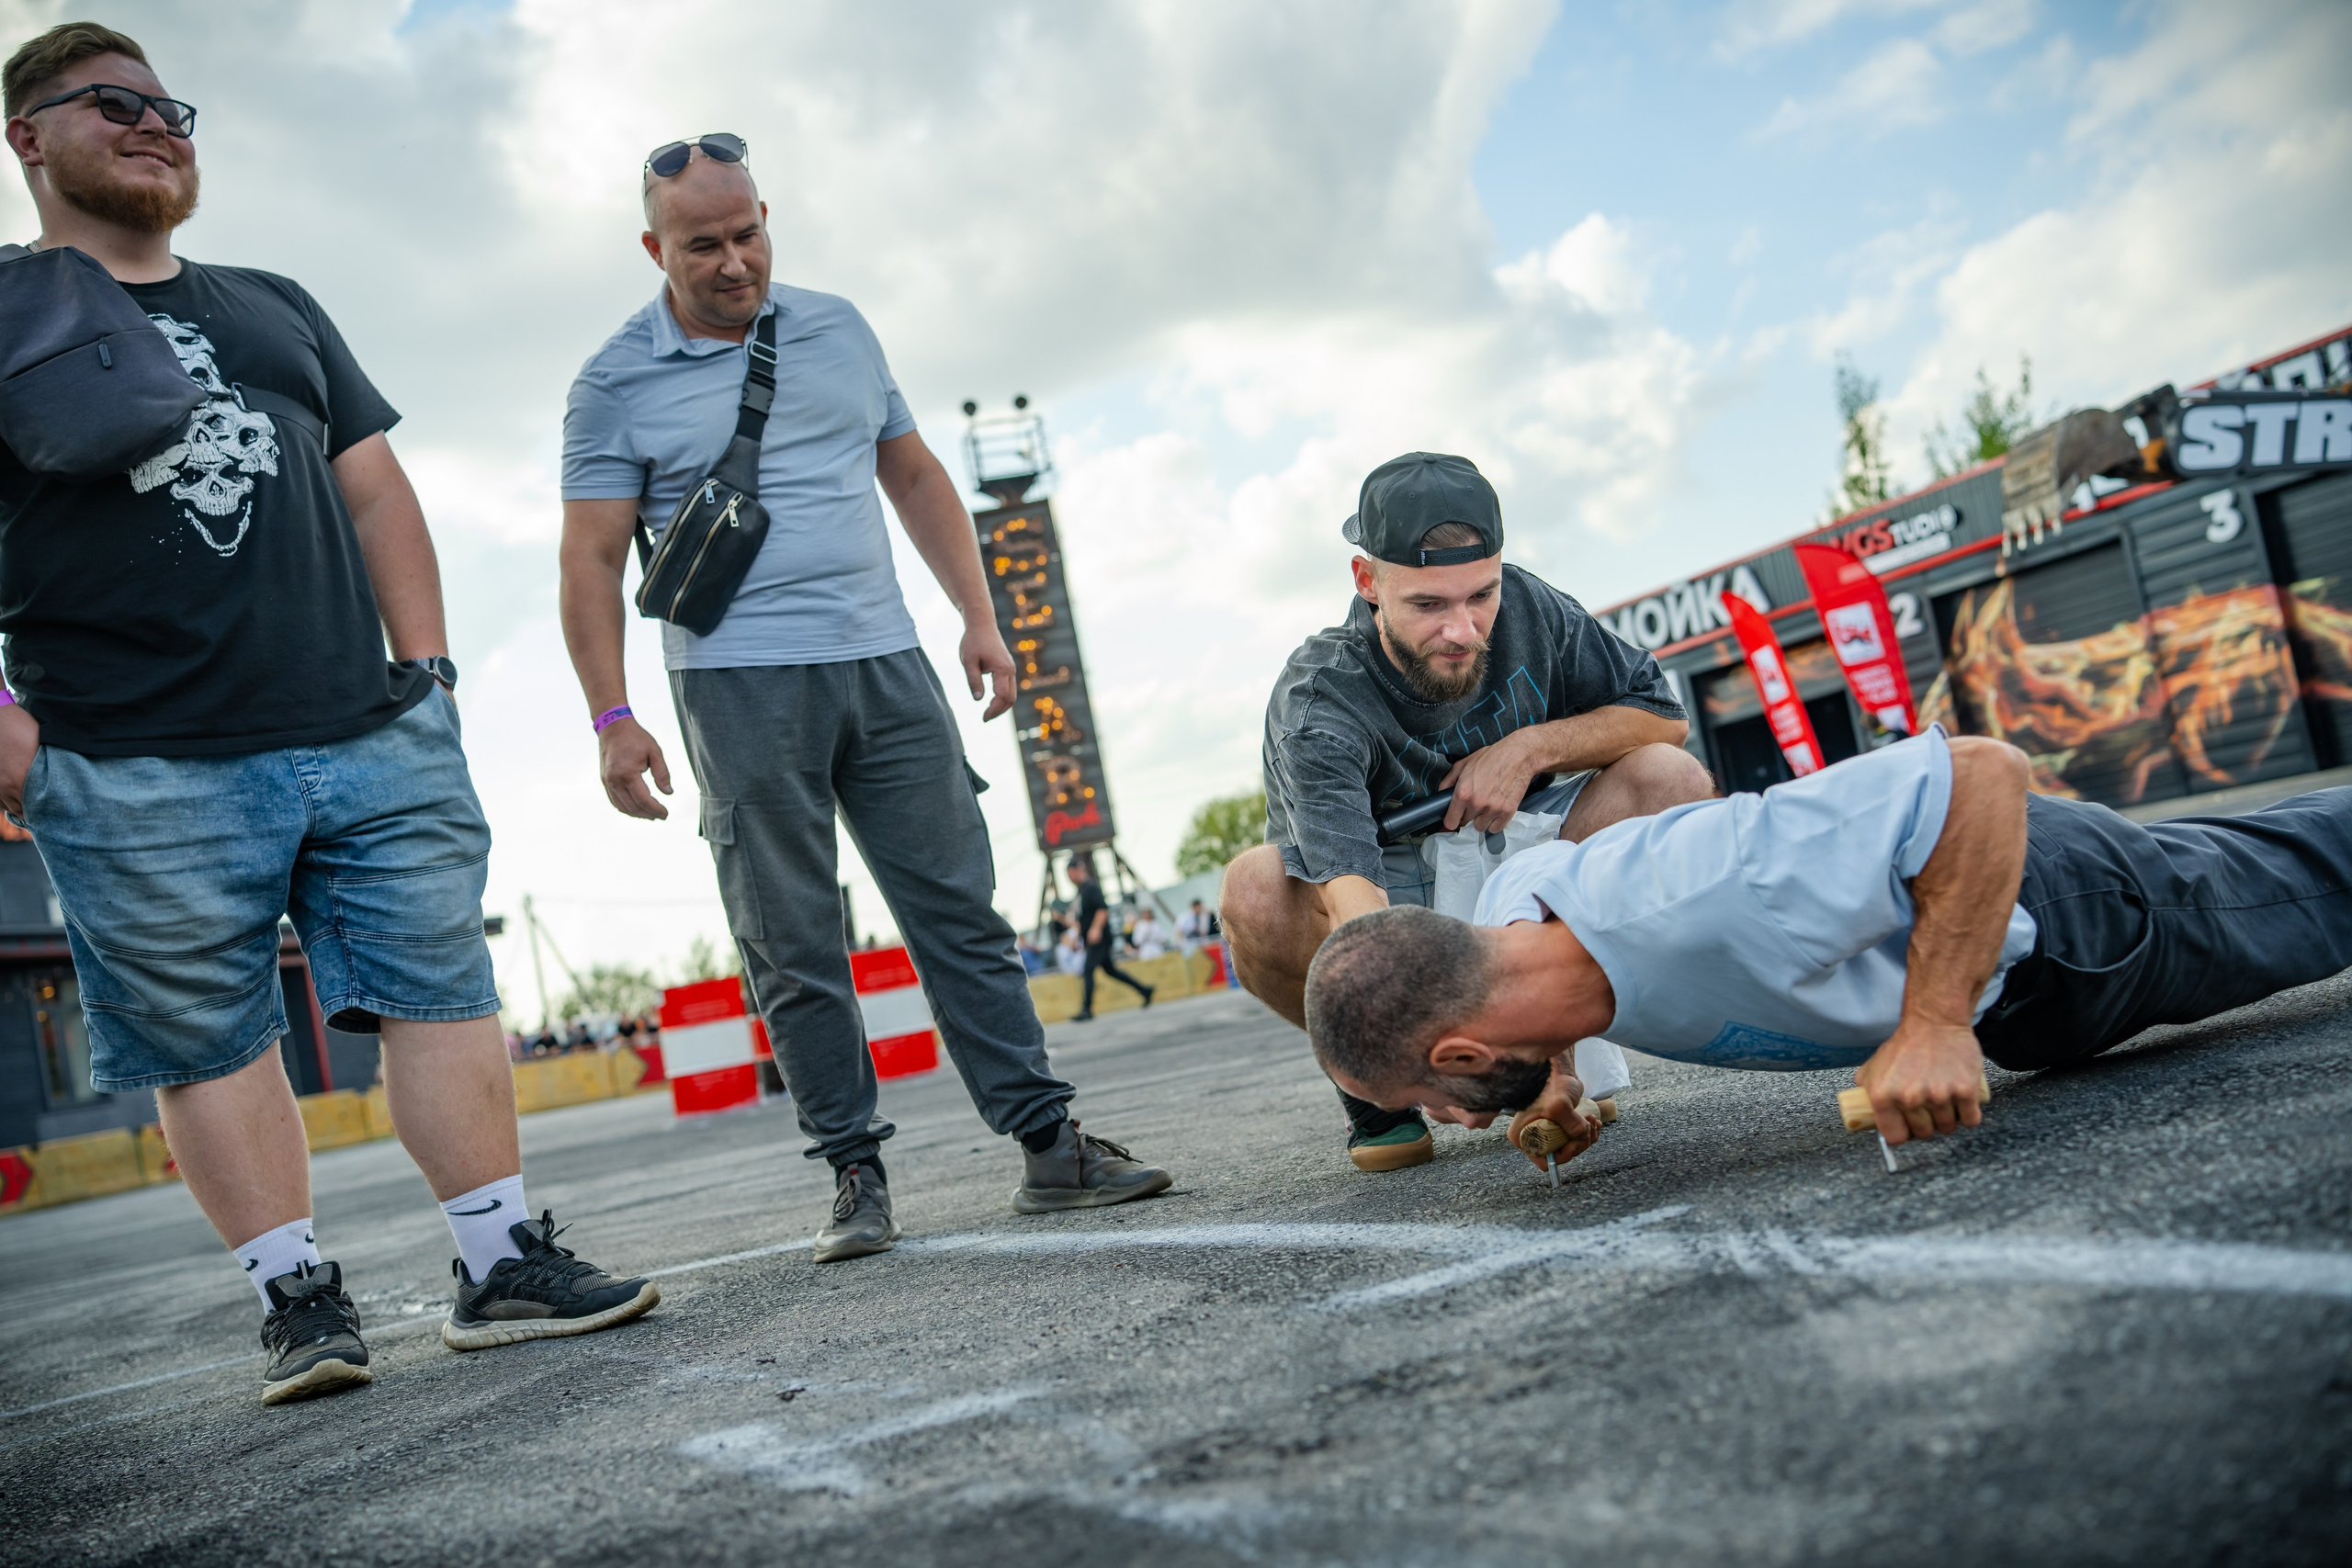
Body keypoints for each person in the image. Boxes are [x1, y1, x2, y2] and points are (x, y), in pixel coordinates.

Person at [0, 23, 654, 1406]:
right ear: (26, 138)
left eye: (171, 103)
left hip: (366, 724)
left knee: (441, 988)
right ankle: (297, 1295)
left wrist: (429, 676)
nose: (155, 121)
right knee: (206, 1036)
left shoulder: (277, 302)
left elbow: (374, 490)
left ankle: (500, 1259)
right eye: (109, 101)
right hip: (129, 754)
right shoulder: (2, 312)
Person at [558, 134, 1170, 1261]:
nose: (736, 260)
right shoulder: (610, 384)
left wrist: (978, 620)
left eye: (750, 231)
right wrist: (612, 717)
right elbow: (590, 560)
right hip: (734, 686)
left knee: (960, 911)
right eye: (704, 245)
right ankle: (853, 1172)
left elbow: (918, 473)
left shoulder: (837, 325)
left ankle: (1050, 1145)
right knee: (791, 942)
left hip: (885, 665)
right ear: (655, 248)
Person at [1303, 730, 2352, 1167]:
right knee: (2291, 848)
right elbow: (1521, 944)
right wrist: (1553, 1077)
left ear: (1457, 1053)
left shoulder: (1704, 889)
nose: (1445, 1121)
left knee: (2319, 884)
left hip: (2070, 922)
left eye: (1430, 1101)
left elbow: (1981, 772)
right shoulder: (1507, 911)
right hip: (2024, 987)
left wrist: (1936, 1023)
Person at [1219, 452, 1715, 1173]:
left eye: (1480, 596)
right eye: (1428, 605)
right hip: (1393, 889)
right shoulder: (1320, 697)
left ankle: (1560, 1053)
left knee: (1668, 778)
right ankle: (1378, 1086)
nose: (1462, 629)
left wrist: (1533, 746)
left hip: (1518, 852)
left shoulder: (1533, 606)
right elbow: (1357, 914)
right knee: (1255, 890)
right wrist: (1427, 1047)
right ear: (1368, 583)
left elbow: (1662, 721)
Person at [1066, 858, 1153, 1021]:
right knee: (1111, 971)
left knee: (1088, 970)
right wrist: (1076, 938)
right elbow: (1082, 919)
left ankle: (1087, 1009)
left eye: (1071, 873)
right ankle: (1145, 990)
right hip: (1092, 939)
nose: (1069, 877)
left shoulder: (1090, 888)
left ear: (1078, 870)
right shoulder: (1081, 892)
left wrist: (1096, 929)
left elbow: (1102, 910)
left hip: (1100, 940)